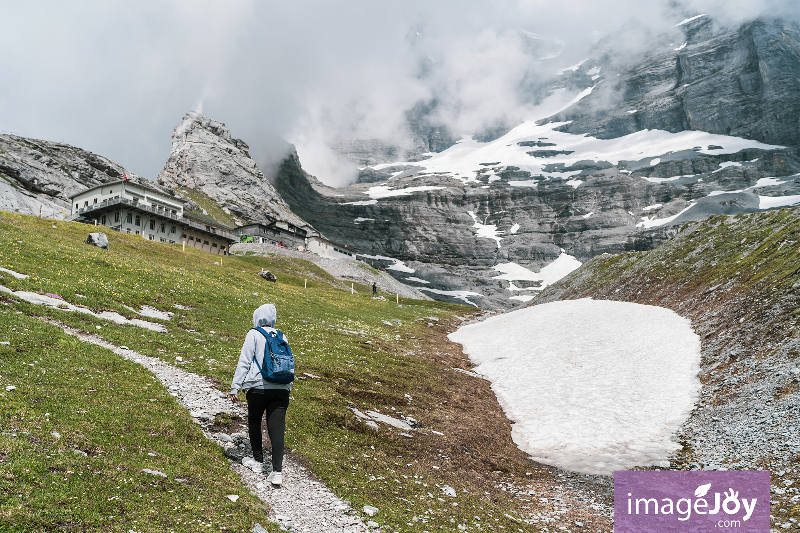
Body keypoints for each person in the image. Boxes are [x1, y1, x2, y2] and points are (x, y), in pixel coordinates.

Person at [230, 303, 291, 486]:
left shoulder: (254, 333)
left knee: (255, 420)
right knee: (277, 428)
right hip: (281, 388)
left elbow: (244, 361)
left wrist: (235, 387)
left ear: (258, 317)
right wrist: (287, 387)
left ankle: (257, 461)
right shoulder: (281, 335)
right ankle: (277, 471)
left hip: (258, 387)